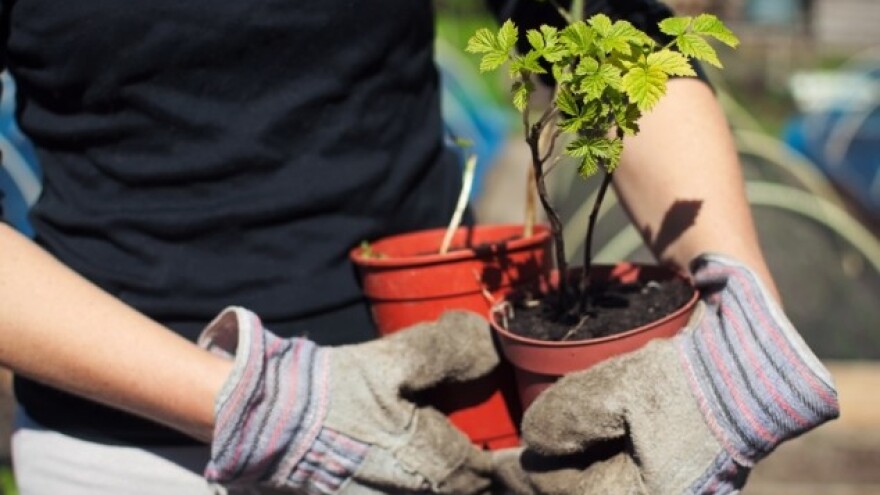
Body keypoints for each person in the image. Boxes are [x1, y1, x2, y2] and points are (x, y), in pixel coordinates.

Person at [0, 0, 837, 494]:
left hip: (439, 423)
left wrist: (740, 301)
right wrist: (261, 407)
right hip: (127, 451)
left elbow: (609, 27)